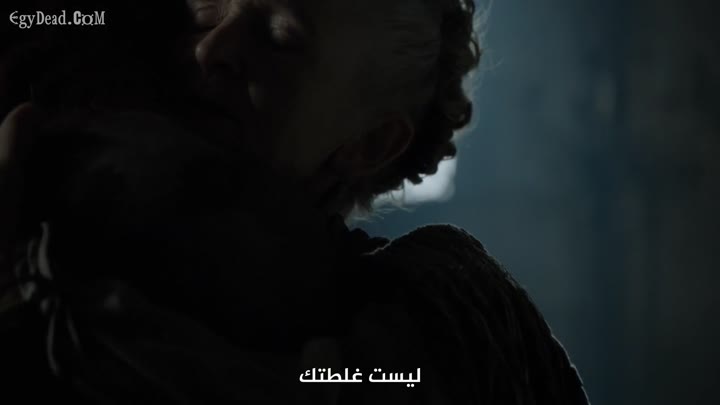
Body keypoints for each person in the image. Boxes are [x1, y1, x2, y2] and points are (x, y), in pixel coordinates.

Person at [0, 0, 590, 403]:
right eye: (208, 10)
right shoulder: (60, 109)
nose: (214, 48)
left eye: (279, 39)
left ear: (369, 143)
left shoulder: (430, 323)